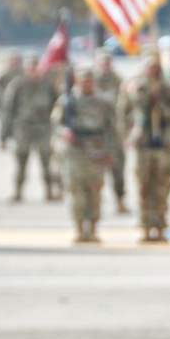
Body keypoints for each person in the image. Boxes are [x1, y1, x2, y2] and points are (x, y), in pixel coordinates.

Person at [51, 65, 117, 243]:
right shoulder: (68, 100)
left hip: (96, 150)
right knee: (76, 191)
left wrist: (111, 152)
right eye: (83, 80)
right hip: (75, 151)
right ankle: (79, 228)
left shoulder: (103, 101)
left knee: (94, 192)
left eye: (89, 80)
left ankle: (93, 228)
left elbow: (112, 129)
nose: (86, 83)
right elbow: (56, 123)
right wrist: (64, 132)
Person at [123, 53, 170, 242]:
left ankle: (160, 223)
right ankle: (146, 224)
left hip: (162, 144)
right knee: (143, 185)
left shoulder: (168, 88)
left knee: (162, 185)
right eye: (149, 68)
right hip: (143, 143)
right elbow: (125, 112)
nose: (152, 72)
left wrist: (161, 105)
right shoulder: (135, 87)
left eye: (155, 68)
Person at [0, 52, 58, 202]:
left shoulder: (48, 84)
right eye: (29, 67)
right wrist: (4, 134)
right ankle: (18, 191)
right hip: (23, 128)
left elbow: (56, 105)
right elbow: (8, 110)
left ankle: (50, 190)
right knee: (21, 160)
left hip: (43, 128)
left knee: (46, 160)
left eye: (35, 66)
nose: (32, 70)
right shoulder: (17, 85)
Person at [95, 49, 130, 213]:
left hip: (115, 133)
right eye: (102, 63)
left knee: (118, 170)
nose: (105, 66)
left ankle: (120, 200)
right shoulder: (91, 81)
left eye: (107, 63)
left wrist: (127, 130)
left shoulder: (119, 82)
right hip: (96, 134)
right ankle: (95, 202)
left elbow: (127, 107)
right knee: (95, 170)